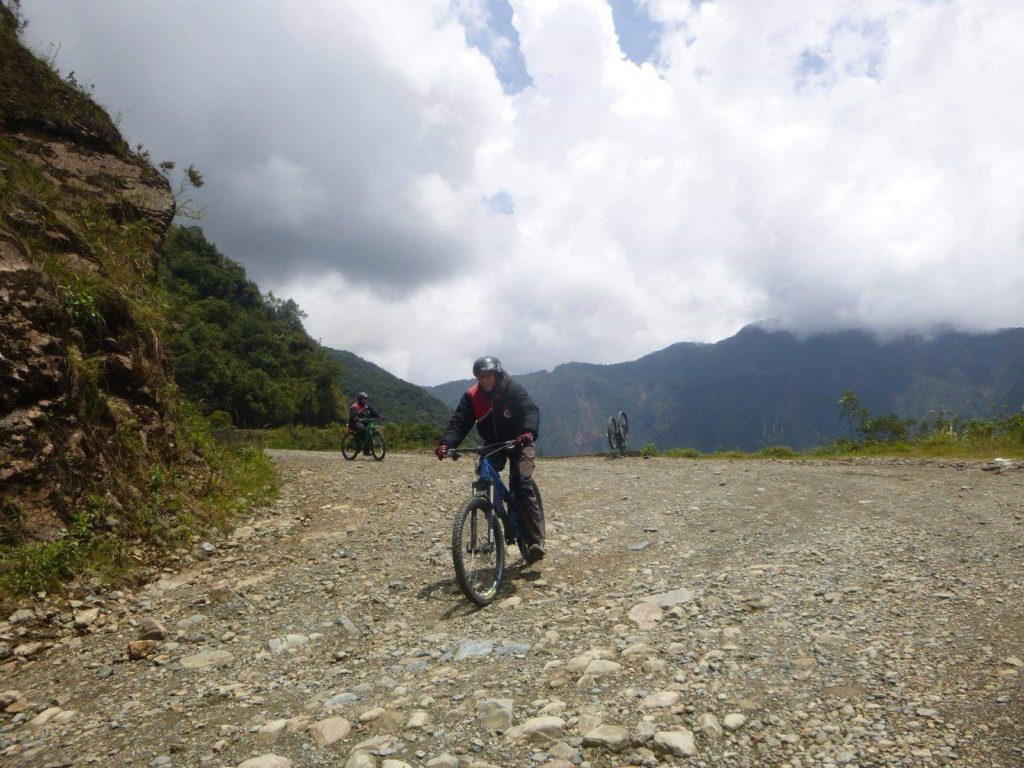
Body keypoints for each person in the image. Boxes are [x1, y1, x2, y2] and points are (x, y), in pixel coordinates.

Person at [435, 356, 546, 563]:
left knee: (521, 483)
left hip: (520, 440)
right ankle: (494, 515)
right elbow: (459, 423)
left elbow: (530, 409)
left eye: (489, 376)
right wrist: (446, 444)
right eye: (480, 377)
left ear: (497, 375)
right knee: (484, 475)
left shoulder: (512, 389)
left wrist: (528, 432)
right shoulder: (472, 397)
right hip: (493, 443)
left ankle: (534, 541)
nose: (485, 381)